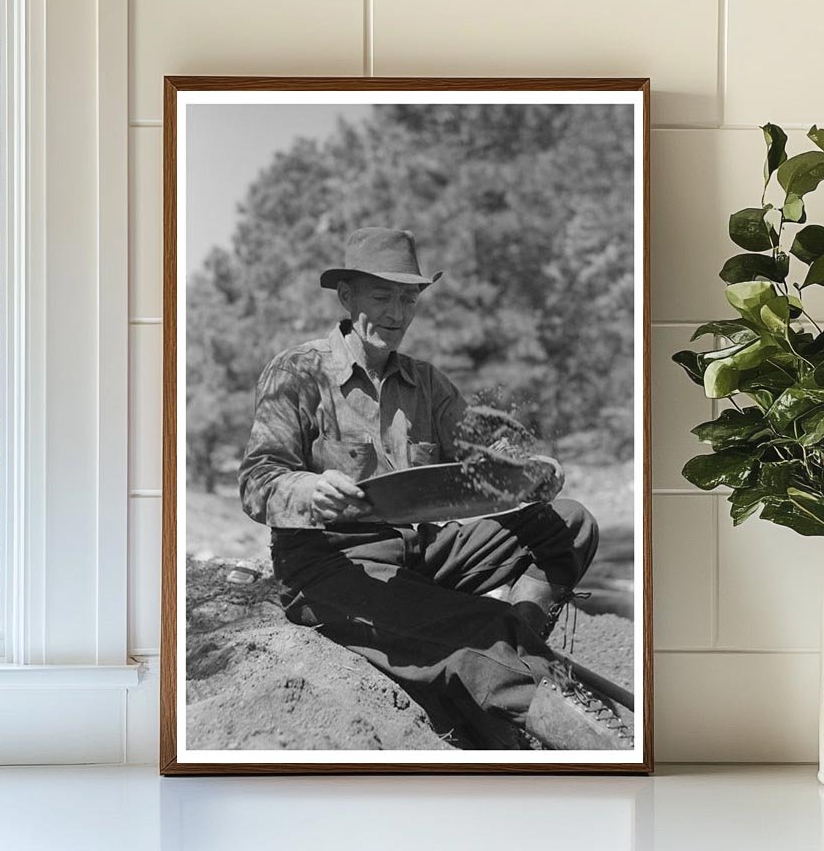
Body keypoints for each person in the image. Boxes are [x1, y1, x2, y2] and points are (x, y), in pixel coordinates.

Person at [238, 226, 632, 751]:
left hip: (417, 554)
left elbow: (484, 458)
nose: (397, 313)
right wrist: (311, 489)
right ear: (346, 295)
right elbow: (257, 479)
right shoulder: (298, 372)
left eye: (409, 297)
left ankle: (524, 644)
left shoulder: (427, 383)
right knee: (478, 634)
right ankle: (589, 744)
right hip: (328, 569)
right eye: (383, 295)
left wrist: (530, 470)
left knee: (570, 522)